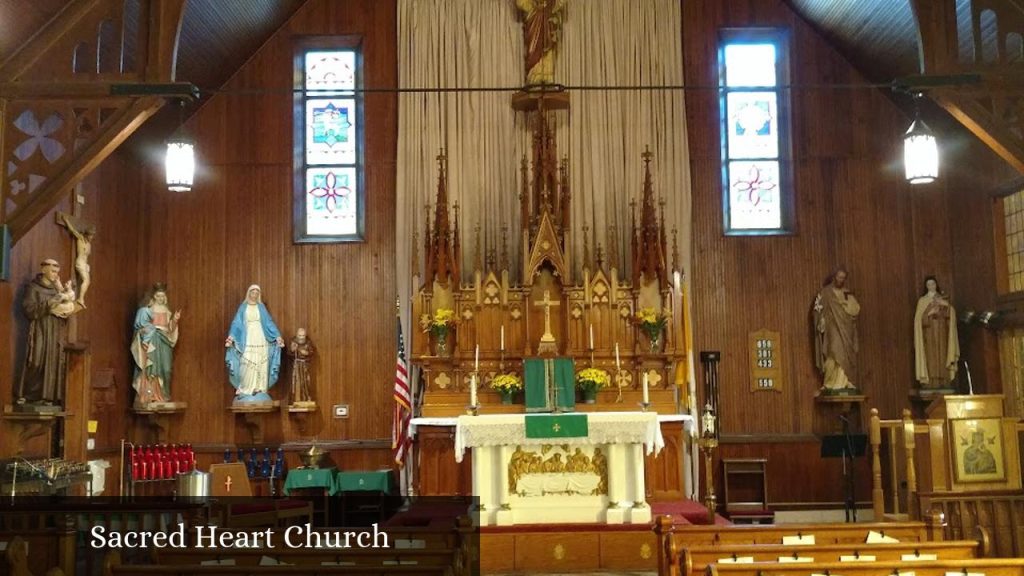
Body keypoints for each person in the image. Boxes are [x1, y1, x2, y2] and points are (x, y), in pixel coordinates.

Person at [16, 259, 78, 406]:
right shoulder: (33, 288)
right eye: (52, 270)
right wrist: (50, 303)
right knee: (36, 360)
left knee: (52, 361)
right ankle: (28, 395)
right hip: (39, 329)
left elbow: (65, 308)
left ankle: (47, 397)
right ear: (43, 269)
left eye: (57, 272)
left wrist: (64, 310)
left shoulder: (57, 289)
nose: (55, 274)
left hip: (54, 329)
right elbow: (29, 309)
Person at [225, 285, 284, 403]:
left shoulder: (261, 307)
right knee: (246, 360)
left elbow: (268, 323)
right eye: (253, 292)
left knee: (260, 361)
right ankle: (245, 388)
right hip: (247, 337)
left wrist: (277, 336)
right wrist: (231, 336)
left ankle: (260, 388)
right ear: (249, 293)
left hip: (260, 337)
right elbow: (237, 323)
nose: (255, 294)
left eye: (257, 292)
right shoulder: (243, 307)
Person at [130, 284, 181, 406]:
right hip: (152, 341)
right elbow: (141, 327)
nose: (160, 298)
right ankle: (149, 395)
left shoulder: (167, 312)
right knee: (150, 368)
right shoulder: (147, 310)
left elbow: (170, 329)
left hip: (164, 341)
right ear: (154, 297)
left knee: (166, 369)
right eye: (158, 296)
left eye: (163, 296)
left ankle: (163, 395)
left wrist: (174, 320)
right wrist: (146, 334)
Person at [813, 268, 861, 393]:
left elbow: (855, 309)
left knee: (845, 353)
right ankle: (830, 382)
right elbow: (818, 310)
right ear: (834, 277)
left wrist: (848, 308)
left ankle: (845, 380)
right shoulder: (826, 293)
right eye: (839, 277)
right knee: (833, 350)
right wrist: (821, 321)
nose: (841, 280)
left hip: (846, 328)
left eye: (843, 278)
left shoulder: (847, 293)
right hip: (832, 327)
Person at [914, 276, 959, 389]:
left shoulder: (942, 298)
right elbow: (918, 320)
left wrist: (945, 306)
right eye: (928, 284)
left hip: (941, 332)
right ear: (926, 286)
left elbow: (951, 314)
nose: (931, 286)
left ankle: (944, 380)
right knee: (932, 357)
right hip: (929, 333)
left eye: (933, 284)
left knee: (942, 354)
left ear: (936, 285)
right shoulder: (923, 301)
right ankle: (932, 381)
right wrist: (929, 314)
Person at [515, 0, 567, 85]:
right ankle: (534, 75)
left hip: (549, 17)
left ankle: (547, 75)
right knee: (534, 48)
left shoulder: (551, 6)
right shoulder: (531, 8)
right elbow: (521, 3)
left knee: (548, 48)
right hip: (534, 18)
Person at [60, 213, 93, 308]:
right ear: (87, 235)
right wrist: (66, 221)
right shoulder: (80, 239)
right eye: (90, 235)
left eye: (92, 236)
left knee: (85, 282)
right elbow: (73, 230)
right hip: (80, 262)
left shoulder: (89, 245)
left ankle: (80, 298)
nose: (92, 237)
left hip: (85, 264)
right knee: (86, 281)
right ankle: (80, 299)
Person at [288, 328, 315, 405]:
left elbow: (311, 352)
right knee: (295, 381)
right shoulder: (293, 342)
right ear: (297, 335)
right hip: (296, 365)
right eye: (300, 335)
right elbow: (289, 354)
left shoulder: (308, 343)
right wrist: (293, 350)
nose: (301, 337)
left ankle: (306, 397)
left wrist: (306, 353)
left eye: (303, 336)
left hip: (304, 366)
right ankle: (295, 399)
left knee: (305, 381)